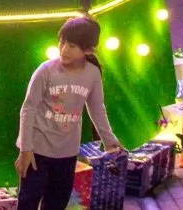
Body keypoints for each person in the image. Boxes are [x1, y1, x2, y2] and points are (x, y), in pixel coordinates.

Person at [13, 15, 122, 210]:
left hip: (67, 152)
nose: (64, 50)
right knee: (28, 200)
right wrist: (25, 149)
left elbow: (97, 108)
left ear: (87, 49)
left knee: (57, 202)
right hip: (37, 150)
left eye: (72, 46)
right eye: (62, 43)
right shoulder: (45, 71)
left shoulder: (92, 74)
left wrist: (109, 140)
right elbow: (28, 108)